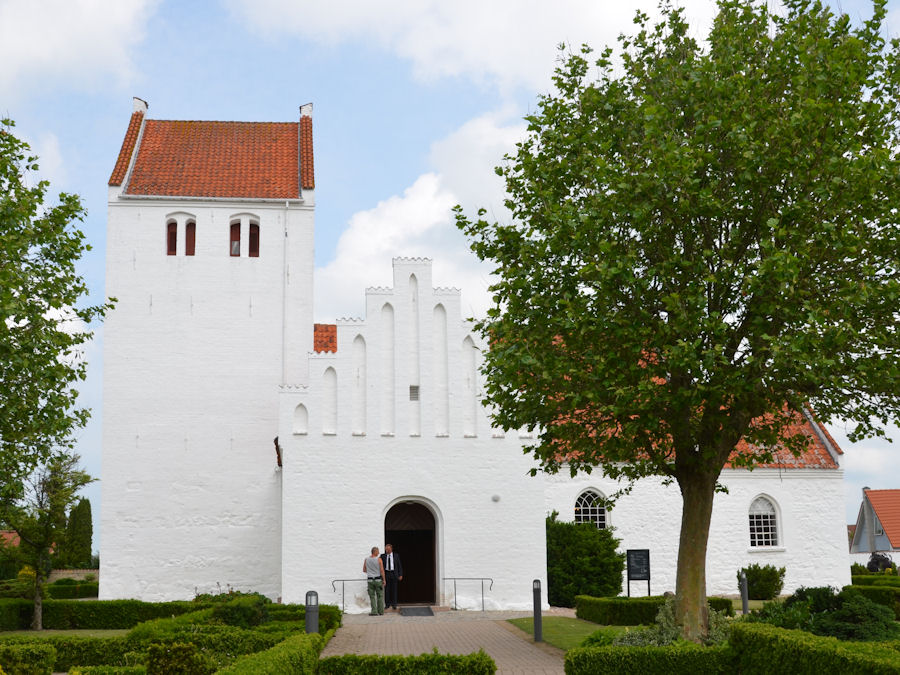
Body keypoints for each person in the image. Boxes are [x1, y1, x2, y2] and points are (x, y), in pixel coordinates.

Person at [363, 546, 385, 615]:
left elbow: (364, 570)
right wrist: (384, 580)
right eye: (378, 551)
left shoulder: (366, 559)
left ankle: (374, 611)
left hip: (370, 580)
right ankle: (381, 611)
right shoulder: (379, 559)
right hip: (378, 580)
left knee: (372, 596)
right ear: (375, 552)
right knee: (380, 596)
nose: (378, 553)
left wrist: (370, 572)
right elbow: (382, 571)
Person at [381, 543, 403, 610]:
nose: (386, 550)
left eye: (388, 549)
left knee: (394, 590)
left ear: (391, 549)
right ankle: (387, 604)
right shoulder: (383, 556)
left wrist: (400, 574)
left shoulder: (396, 555)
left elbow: (399, 565)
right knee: (387, 590)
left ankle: (394, 604)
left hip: (394, 574)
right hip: (387, 573)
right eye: (386, 549)